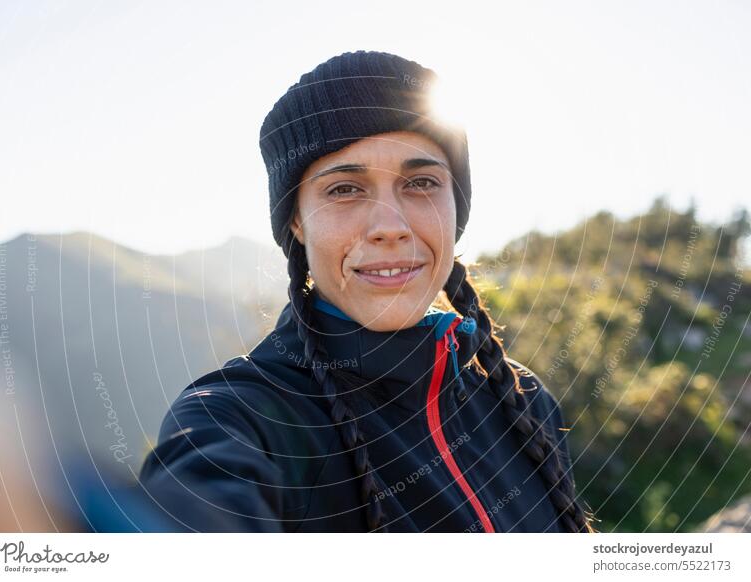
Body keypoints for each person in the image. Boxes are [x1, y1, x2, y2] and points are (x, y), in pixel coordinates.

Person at [138, 49, 596, 533]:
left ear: (455, 209)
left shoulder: (520, 400)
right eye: (344, 189)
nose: (390, 226)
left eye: (421, 182)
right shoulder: (243, 415)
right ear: (296, 221)